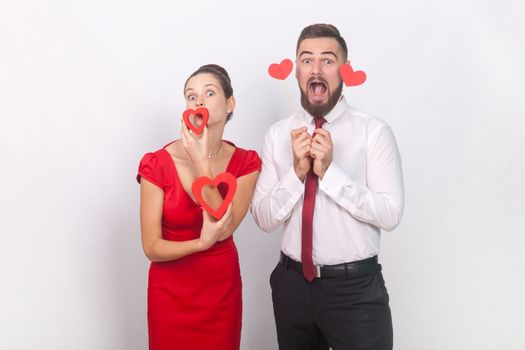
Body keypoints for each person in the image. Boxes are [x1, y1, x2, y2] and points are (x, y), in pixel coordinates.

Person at [250, 24, 404, 350]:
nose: (316, 69)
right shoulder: (278, 135)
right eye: (307, 60)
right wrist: (296, 173)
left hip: (355, 291)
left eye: (328, 60)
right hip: (291, 286)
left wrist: (330, 173)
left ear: (344, 70)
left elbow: (390, 214)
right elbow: (263, 219)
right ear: (296, 71)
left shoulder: (374, 133)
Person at [137, 64, 261, 350]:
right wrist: (200, 243)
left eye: (209, 92)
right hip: (170, 293)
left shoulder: (246, 163)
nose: (199, 101)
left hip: (220, 292)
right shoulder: (156, 163)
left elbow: (225, 224)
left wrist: (201, 161)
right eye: (191, 96)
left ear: (230, 104)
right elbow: (151, 246)